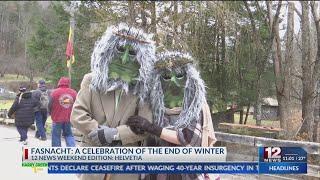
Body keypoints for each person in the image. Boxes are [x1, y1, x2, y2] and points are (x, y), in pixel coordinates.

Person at [70, 23, 156, 180]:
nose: (124, 60)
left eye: (132, 54)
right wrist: (98, 132)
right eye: (120, 50)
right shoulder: (91, 80)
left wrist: (116, 134)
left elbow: (146, 126)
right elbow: (77, 114)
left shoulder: (144, 90)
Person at [126, 51, 217, 180]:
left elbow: (188, 137)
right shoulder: (152, 105)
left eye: (179, 75)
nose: (173, 81)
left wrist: (150, 127)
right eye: (167, 77)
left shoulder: (196, 106)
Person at [49, 77, 77, 147]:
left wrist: (50, 113)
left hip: (57, 118)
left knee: (56, 136)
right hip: (68, 118)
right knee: (68, 134)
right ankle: (72, 150)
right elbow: (77, 105)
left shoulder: (54, 92)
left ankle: (57, 153)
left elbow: (50, 105)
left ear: (59, 82)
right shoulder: (74, 93)